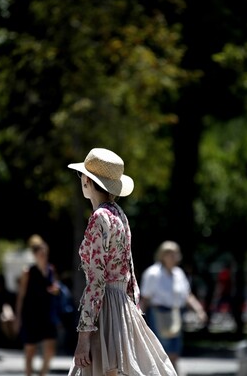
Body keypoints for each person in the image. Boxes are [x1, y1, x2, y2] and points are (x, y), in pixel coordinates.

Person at [67, 147, 178, 376]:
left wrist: (84, 335)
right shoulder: (120, 215)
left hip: (105, 308)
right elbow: (130, 271)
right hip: (122, 308)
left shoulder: (99, 218)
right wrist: (132, 313)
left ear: (87, 180)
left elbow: (96, 282)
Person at [140, 241, 208, 371]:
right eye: (169, 254)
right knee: (161, 352)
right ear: (162, 255)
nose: (173, 256)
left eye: (175, 253)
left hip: (176, 314)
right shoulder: (153, 273)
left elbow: (187, 296)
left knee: (175, 352)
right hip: (158, 314)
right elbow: (145, 298)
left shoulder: (179, 273)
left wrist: (199, 311)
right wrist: (139, 318)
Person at [13, 235, 60, 376]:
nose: (44, 256)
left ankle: (41, 374)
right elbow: (21, 296)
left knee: (50, 349)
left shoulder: (51, 270)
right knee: (30, 351)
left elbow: (56, 286)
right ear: (35, 255)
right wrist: (18, 318)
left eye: (45, 253)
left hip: (47, 314)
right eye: (41, 254)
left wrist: (56, 290)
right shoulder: (28, 272)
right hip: (31, 315)